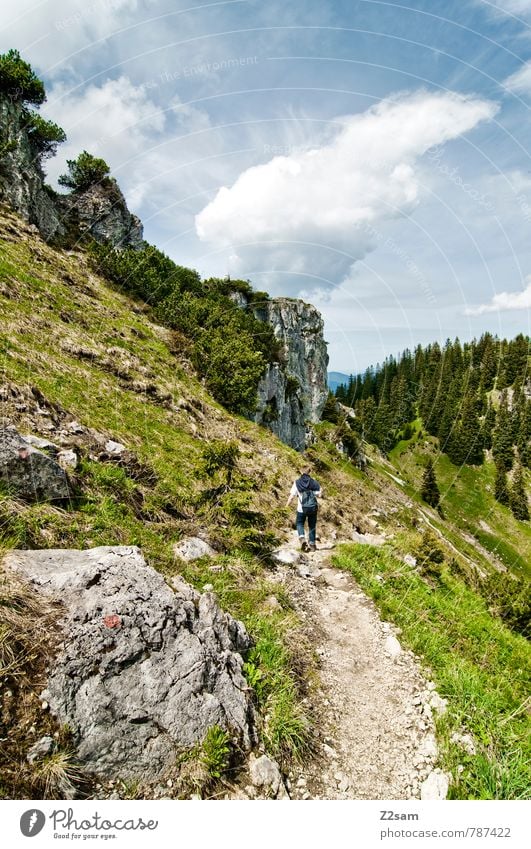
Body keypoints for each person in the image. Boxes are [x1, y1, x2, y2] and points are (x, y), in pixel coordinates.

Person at [286, 464, 322, 551]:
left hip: (301, 508)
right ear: (310, 472)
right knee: (312, 525)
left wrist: (286, 506)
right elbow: (319, 495)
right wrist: (320, 490)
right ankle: (312, 545)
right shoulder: (314, 482)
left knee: (299, 523)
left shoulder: (297, 482)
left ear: (301, 471)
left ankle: (302, 539)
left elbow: (291, 496)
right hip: (312, 508)